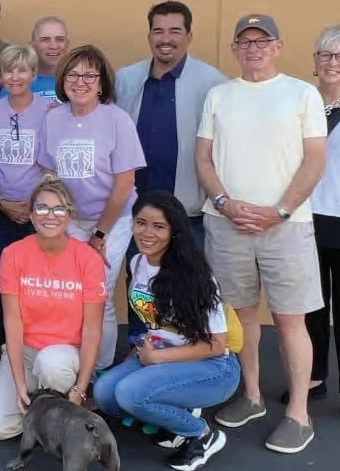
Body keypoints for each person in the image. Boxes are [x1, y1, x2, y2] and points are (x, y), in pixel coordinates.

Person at [196, 14, 326, 454]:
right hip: (227, 224)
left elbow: (314, 160)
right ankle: (250, 396)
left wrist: (279, 211)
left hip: (286, 227)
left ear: (278, 45)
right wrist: (224, 204)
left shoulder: (301, 94)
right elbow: (204, 158)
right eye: (244, 41)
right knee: (242, 315)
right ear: (234, 48)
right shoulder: (219, 95)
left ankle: (299, 414)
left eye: (262, 40)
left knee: (291, 320)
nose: (253, 48)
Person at [94, 191, 240, 471]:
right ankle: (172, 410)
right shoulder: (138, 263)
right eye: (140, 222)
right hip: (159, 355)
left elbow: (217, 345)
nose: (147, 233)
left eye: (158, 226)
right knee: (104, 393)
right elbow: (155, 324)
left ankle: (202, 434)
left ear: (174, 231)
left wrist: (157, 359)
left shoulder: (194, 276)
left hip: (212, 366)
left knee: (130, 394)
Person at [116, 1, 227, 346]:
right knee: (139, 291)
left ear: (189, 36)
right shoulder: (126, 79)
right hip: (138, 214)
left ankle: (185, 365)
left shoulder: (213, 84)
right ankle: (139, 353)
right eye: (158, 31)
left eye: (175, 31)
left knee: (187, 292)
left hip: (188, 215)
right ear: (149, 35)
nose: (166, 39)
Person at [39, 44, 147, 370]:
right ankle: (70, 366)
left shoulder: (117, 120)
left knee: (98, 295)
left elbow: (123, 185)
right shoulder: (54, 118)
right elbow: (50, 173)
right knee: (69, 295)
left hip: (112, 220)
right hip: (69, 221)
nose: (80, 81)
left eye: (89, 75)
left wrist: (99, 235)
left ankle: (97, 372)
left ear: (101, 83)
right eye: (73, 74)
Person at [0, 176, 104, 441]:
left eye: (59, 208)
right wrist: (19, 383)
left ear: (69, 215)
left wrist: (81, 388)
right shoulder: (13, 254)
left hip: (66, 355)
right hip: (26, 352)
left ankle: (64, 409)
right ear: (32, 214)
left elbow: (93, 330)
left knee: (52, 364)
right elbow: (12, 323)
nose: (50, 215)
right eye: (42, 208)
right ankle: (44, 409)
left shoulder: (88, 259)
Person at [303, 25, 340, 424]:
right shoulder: (301, 103)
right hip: (304, 218)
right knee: (309, 305)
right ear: (315, 61)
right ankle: (311, 375)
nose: (333, 62)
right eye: (326, 54)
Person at [0, 45, 50, 385]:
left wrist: (32, 205)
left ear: (34, 75)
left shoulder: (50, 112)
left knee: (35, 286)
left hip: (37, 215)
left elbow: (51, 166)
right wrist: (0, 200)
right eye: (9, 71)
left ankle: (34, 353)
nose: (15, 77)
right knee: (1, 284)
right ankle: (5, 352)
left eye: (23, 71)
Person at [29, 16, 70, 102]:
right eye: (45, 40)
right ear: (33, 45)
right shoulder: (17, 82)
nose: (53, 46)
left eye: (60, 39)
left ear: (67, 44)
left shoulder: (81, 82)